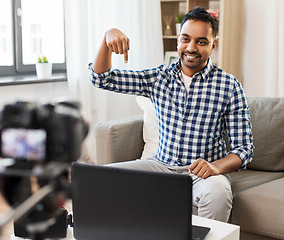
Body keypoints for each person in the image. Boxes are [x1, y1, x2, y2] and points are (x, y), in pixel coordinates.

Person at [89, 7, 254, 222]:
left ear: (213, 45)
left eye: (201, 42)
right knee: (102, 179)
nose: (191, 47)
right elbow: (101, 79)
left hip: (204, 176)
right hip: (160, 165)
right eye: (185, 39)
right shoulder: (159, 77)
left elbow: (244, 149)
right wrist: (106, 38)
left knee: (218, 194)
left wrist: (215, 167)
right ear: (178, 40)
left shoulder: (230, 86)